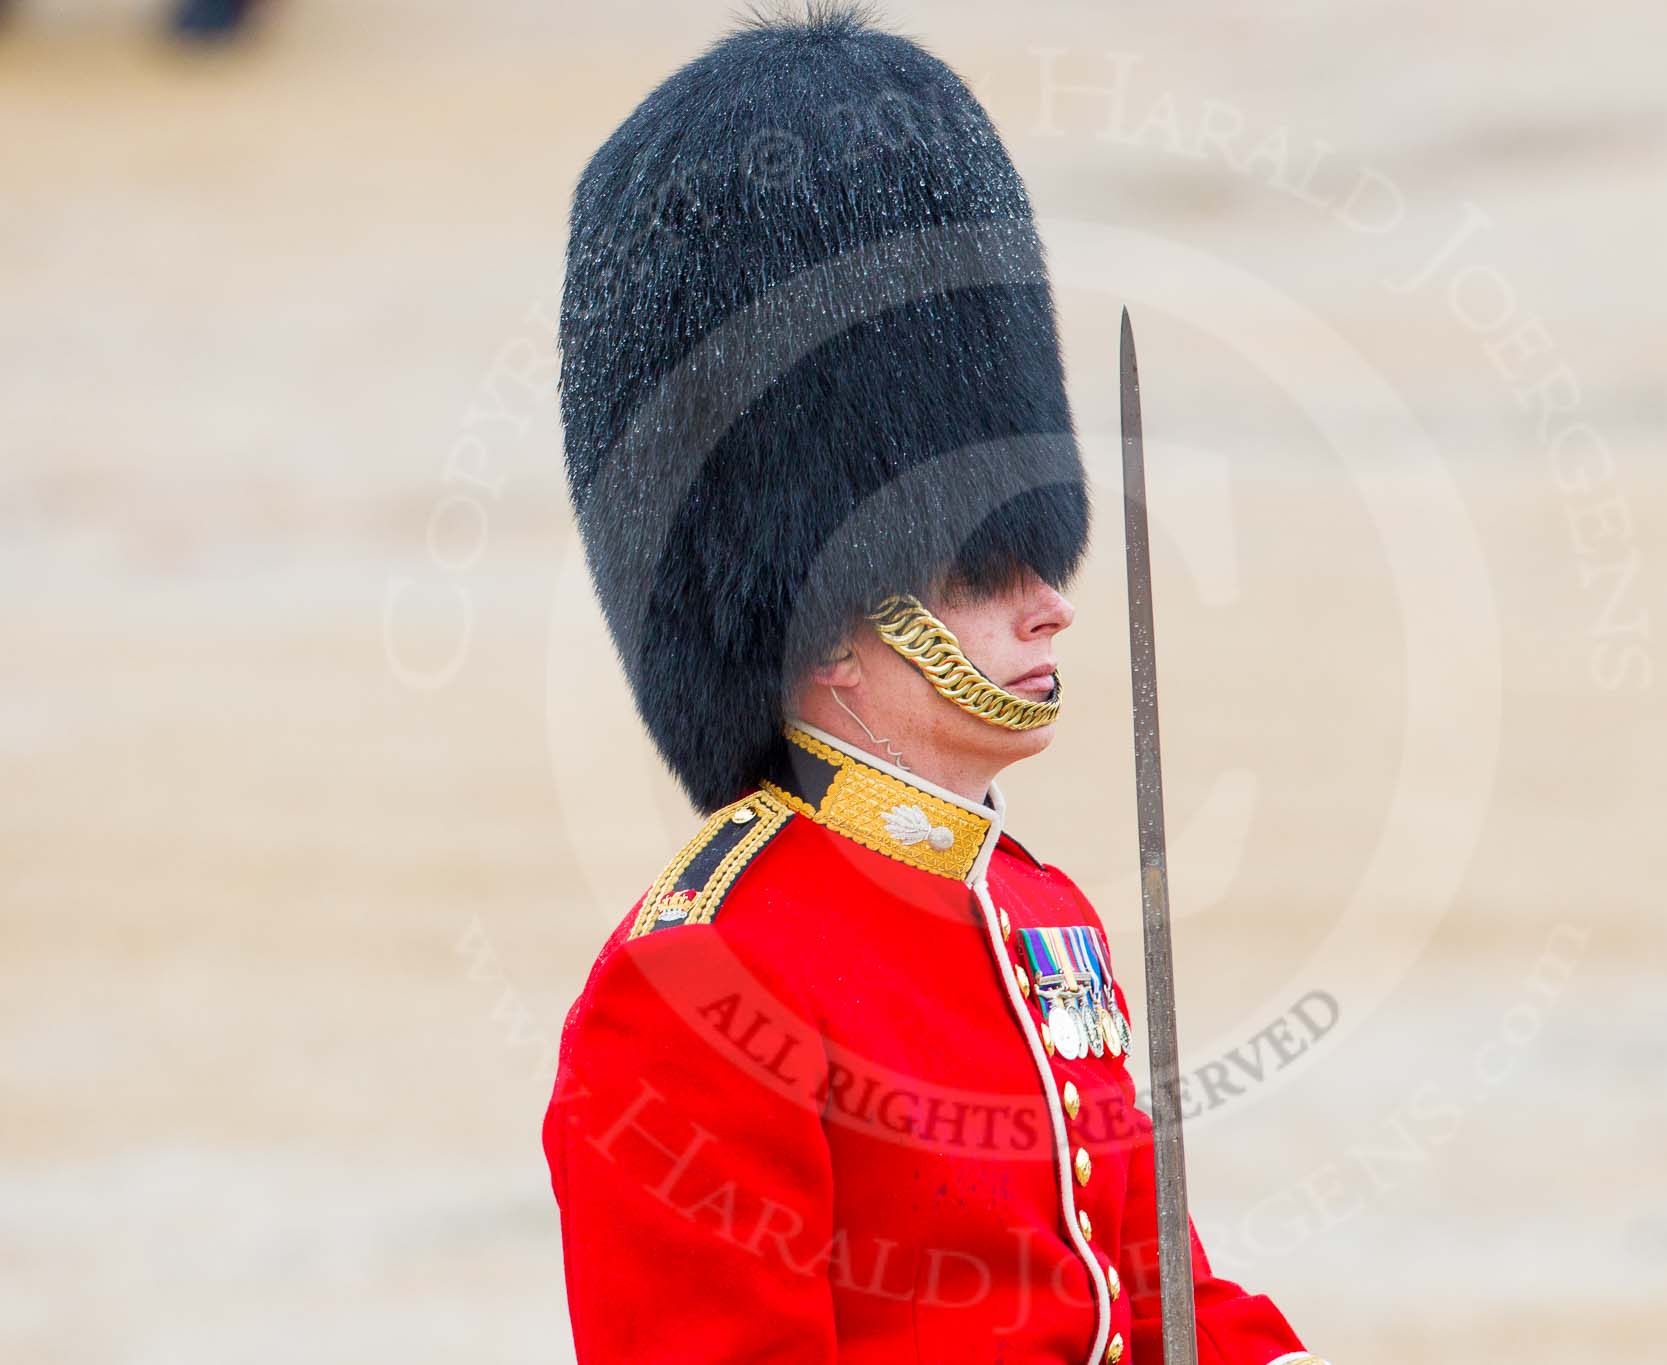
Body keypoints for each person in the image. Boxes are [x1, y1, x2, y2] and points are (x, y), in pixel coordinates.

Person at [544, 7, 1328, 1362]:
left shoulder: (1037, 913)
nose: (1047, 598)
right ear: (830, 621)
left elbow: (1154, 1298)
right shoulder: (698, 986)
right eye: (977, 567)